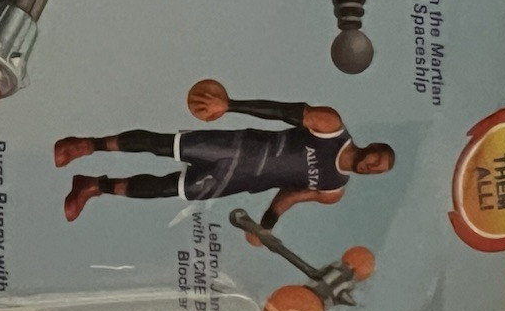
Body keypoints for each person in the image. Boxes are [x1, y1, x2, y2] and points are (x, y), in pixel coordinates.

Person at [54, 79, 394, 235]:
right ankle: (86, 145)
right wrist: (230, 105)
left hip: (237, 180)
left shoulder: (333, 190)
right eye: (376, 161)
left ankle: (92, 186)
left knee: (165, 189)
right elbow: (280, 111)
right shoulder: (331, 127)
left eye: (377, 172)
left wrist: (265, 227)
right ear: (373, 147)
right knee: (162, 145)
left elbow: (290, 196)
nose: (371, 168)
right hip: (236, 147)